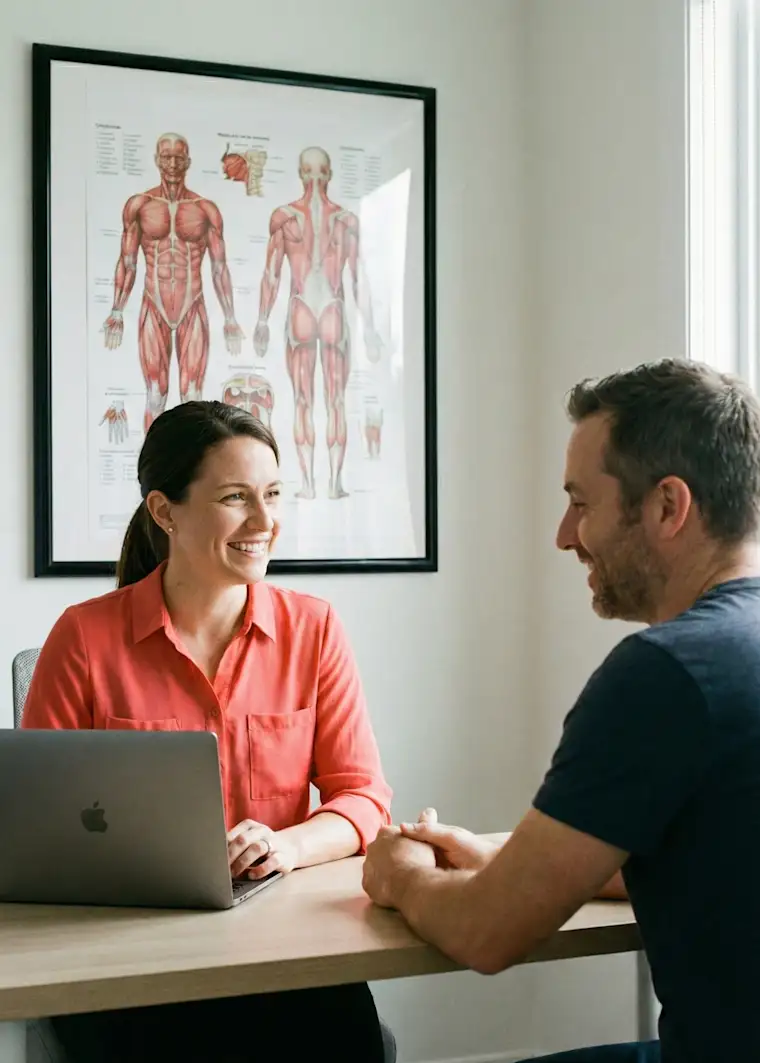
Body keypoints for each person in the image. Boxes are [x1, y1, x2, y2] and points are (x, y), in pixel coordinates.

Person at [362, 359, 760, 1063]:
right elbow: (716, 845)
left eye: (582, 501)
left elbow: (490, 933)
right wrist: (509, 860)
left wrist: (399, 876)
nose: (564, 533)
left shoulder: (667, 674)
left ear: (668, 506)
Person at [22, 400, 393, 1063]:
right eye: (235, 498)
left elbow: (363, 799)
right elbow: (31, 830)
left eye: (274, 494)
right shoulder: (83, 637)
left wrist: (286, 845)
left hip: (284, 951)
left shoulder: (315, 630)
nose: (264, 521)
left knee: (342, 1037)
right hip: (126, 961)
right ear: (165, 511)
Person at [252, 146, 382, 500]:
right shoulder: (345, 221)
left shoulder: (286, 217)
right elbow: (357, 280)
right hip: (332, 310)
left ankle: (311, 485)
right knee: (332, 400)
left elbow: (272, 273)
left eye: (316, 172)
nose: (314, 179)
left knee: (304, 401)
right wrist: (369, 329)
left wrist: (263, 321)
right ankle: (330, 484)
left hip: (302, 309)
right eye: (312, 172)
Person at [102, 134, 244, 432]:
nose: (173, 163)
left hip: (193, 304)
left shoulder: (205, 209)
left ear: (188, 162)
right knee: (156, 394)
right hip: (154, 304)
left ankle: (189, 475)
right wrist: (117, 311)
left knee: (192, 397)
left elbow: (220, 267)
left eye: (179, 157)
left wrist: (230, 318)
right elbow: (127, 261)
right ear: (156, 160)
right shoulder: (139, 205)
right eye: (166, 156)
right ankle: (152, 475)